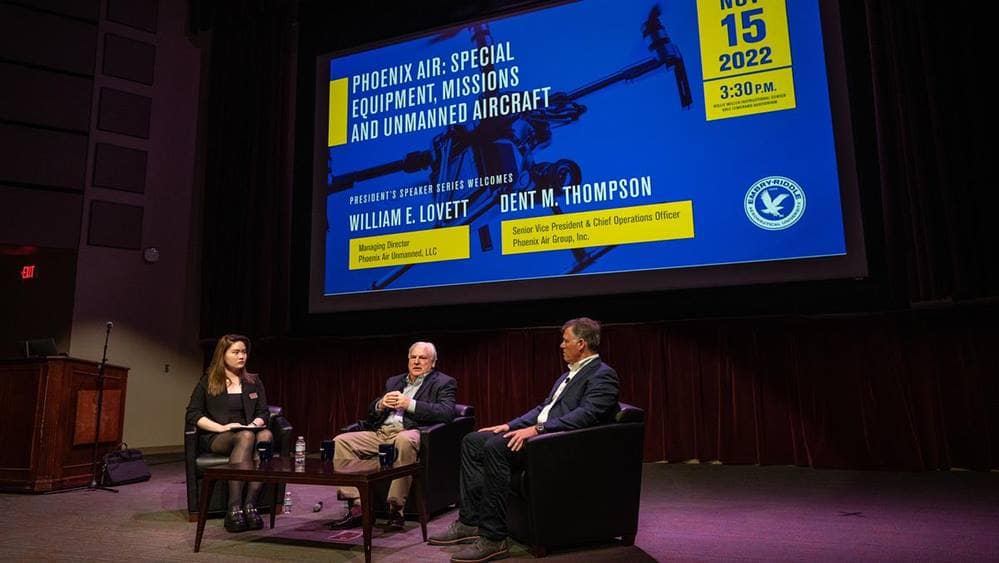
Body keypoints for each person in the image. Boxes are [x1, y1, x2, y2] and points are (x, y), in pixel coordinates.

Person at [429, 318, 620, 562]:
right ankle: (470, 521)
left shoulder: (603, 375)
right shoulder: (565, 377)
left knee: (496, 447)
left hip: (559, 445)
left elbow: (587, 415)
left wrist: (538, 429)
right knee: (473, 440)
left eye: (566, 340)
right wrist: (509, 425)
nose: (561, 345)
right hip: (545, 436)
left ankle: (494, 538)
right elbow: (544, 408)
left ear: (581, 344)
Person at [330, 341, 456, 530]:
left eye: (422, 358)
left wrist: (410, 404)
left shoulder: (444, 382)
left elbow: (446, 412)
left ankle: (396, 510)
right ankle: (359, 506)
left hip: (410, 431)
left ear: (433, 362)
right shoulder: (394, 381)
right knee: (340, 441)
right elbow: (372, 412)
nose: (416, 361)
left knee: (404, 440)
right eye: (413, 357)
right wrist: (380, 404)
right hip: (381, 432)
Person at [185, 334, 273, 533]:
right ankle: (234, 507)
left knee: (265, 436)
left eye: (244, 352)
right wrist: (222, 427)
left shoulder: (254, 381)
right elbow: (193, 414)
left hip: (248, 430)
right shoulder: (208, 381)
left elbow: (263, 412)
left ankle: (250, 505)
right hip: (219, 436)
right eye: (235, 352)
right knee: (246, 436)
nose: (241, 356)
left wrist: (254, 423)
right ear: (222, 355)